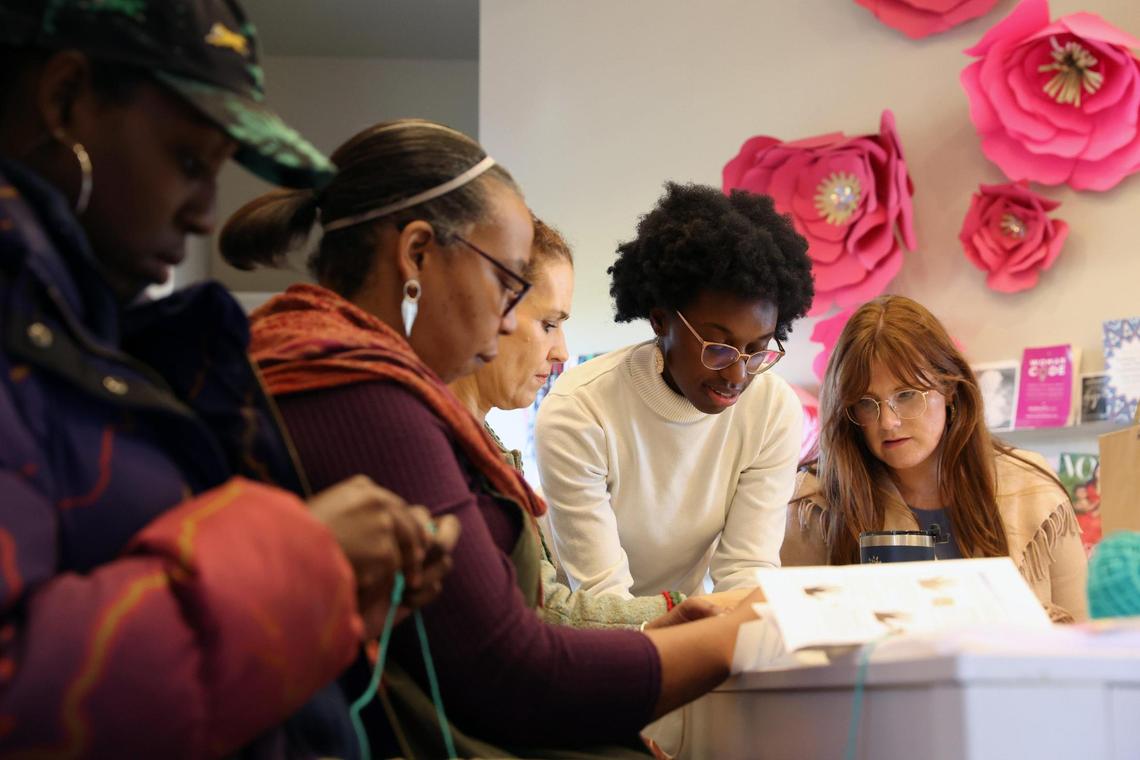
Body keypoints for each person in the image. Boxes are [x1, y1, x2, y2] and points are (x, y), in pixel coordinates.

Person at [223, 118, 764, 758]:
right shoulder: (363, 398)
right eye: (508, 284)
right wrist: (746, 635)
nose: (510, 318)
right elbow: (512, 676)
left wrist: (664, 629)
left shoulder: (350, 376)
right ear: (417, 256)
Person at [0, 2, 455, 756]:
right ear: (64, 98)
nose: (209, 215)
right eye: (188, 161)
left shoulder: (91, 343)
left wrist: (329, 601)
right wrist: (302, 560)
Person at [449, 217, 736, 628]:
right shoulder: (449, 444)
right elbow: (548, 611)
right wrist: (683, 611)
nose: (561, 352)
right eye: (548, 324)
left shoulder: (481, 439)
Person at [535, 183, 815, 600]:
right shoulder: (580, 410)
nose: (737, 373)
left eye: (757, 351)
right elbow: (601, 596)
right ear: (660, 322)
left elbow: (747, 571)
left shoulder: (773, 410)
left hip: (687, 620)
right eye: (717, 348)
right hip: (579, 630)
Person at [781, 295, 1088, 622]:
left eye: (907, 395)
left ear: (950, 388)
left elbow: (1085, 642)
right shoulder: (814, 507)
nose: (888, 421)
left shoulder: (1033, 489)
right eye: (867, 403)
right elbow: (794, 650)